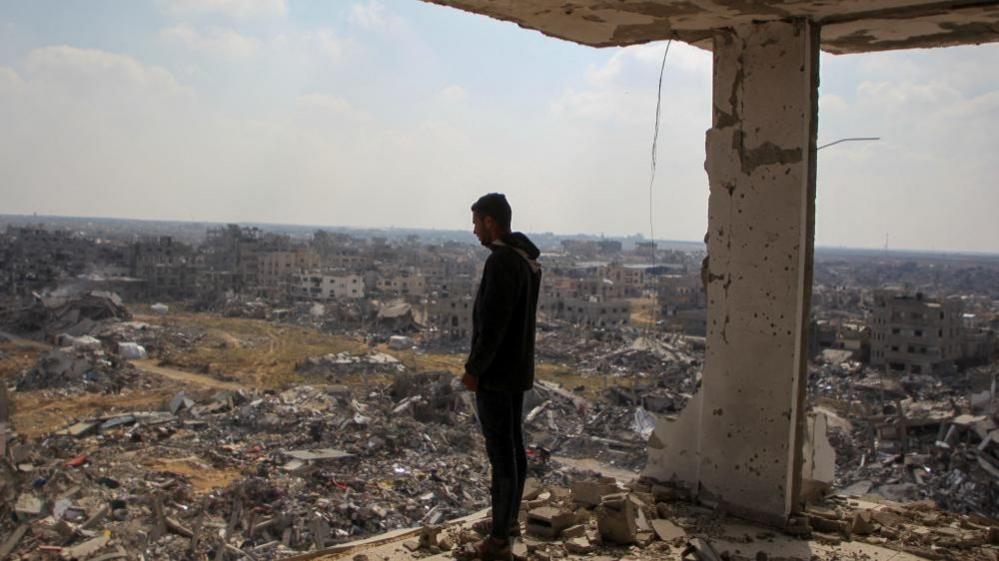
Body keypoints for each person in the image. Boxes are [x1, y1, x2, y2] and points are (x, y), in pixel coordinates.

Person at [462, 193, 541, 561]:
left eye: (477, 221)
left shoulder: (501, 263)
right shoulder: (526, 261)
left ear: (491, 222)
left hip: (496, 375)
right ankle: (507, 523)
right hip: (517, 370)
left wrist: (474, 370)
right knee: (514, 446)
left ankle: (497, 541)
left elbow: (492, 325)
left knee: (502, 454)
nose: (474, 229)